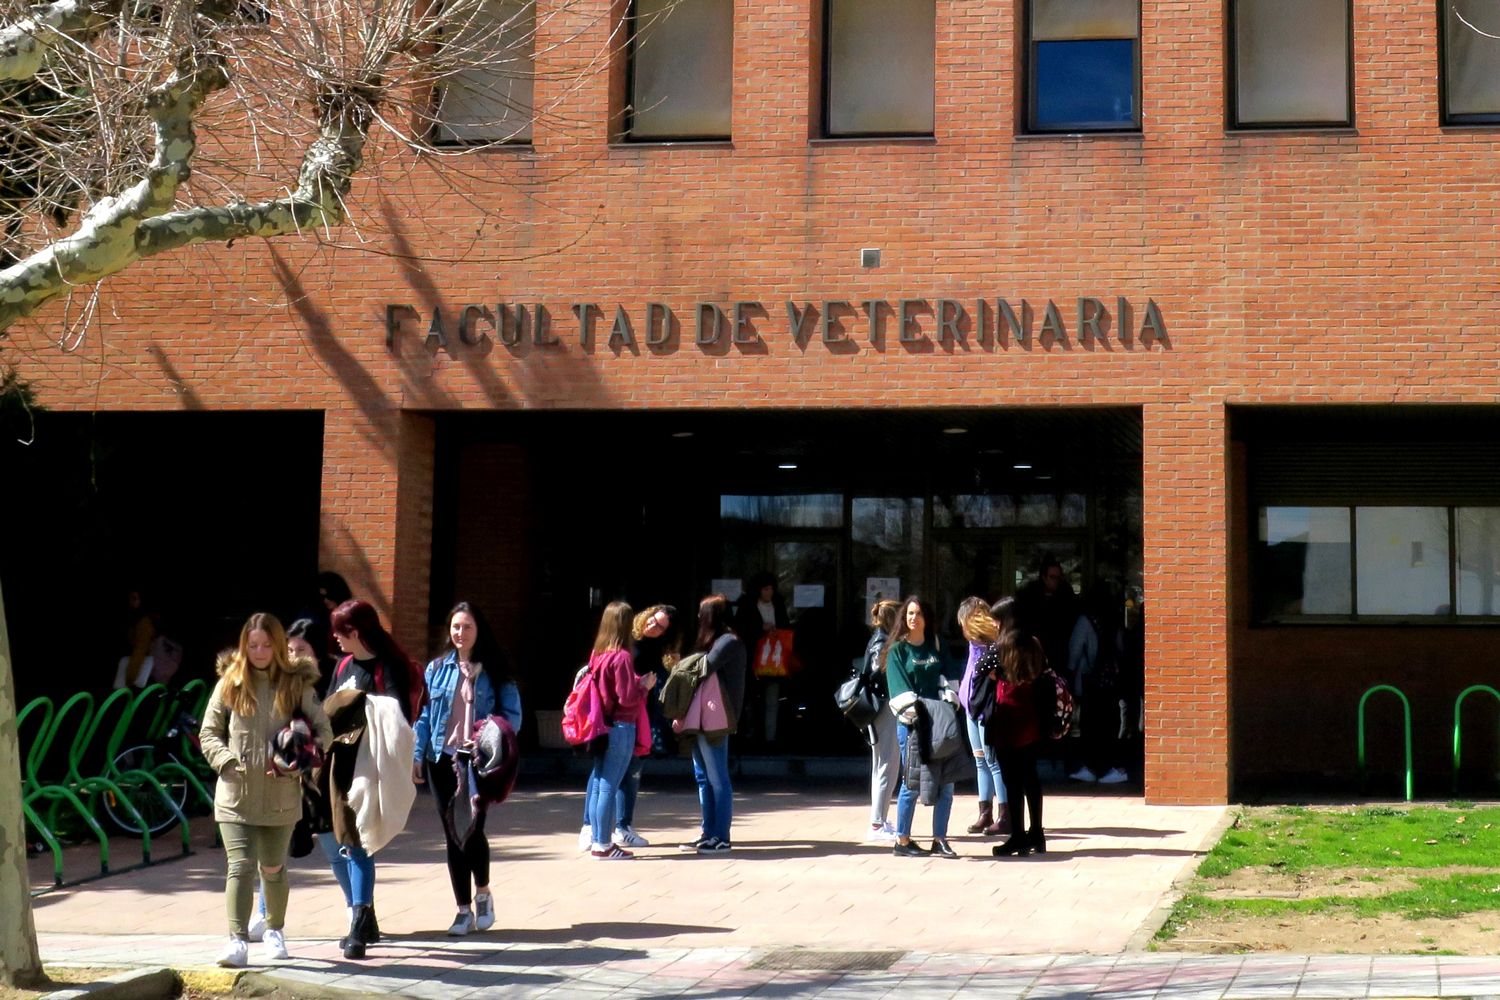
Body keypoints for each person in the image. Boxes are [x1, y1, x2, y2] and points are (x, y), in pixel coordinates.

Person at [199, 613, 331, 968]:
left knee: (272, 868)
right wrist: (226, 761)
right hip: (236, 794)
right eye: (252, 645)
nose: (259, 652)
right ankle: (237, 939)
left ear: (277, 645)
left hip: (280, 794)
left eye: (266, 645)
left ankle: (274, 929)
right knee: (239, 867)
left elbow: (324, 731)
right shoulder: (231, 681)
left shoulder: (296, 684)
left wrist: (301, 755)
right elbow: (209, 732)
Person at [413, 602, 522, 935]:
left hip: (477, 760)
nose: (460, 633)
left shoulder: (495, 669)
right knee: (451, 834)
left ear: (479, 630)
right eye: (456, 626)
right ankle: (463, 910)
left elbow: (513, 716)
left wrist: (489, 737)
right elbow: (426, 717)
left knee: (472, 830)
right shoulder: (436, 669)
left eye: (467, 627)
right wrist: (418, 754)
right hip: (441, 758)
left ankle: (483, 892)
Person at [322, 599, 424, 949]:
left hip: (369, 764)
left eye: (341, 631)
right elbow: (326, 709)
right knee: (337, 844)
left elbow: (399, 716)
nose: (336, 638)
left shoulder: (389, 665)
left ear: (357, 631)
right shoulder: (343, 666)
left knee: (358, 841)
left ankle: (359, 924)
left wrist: (357, 703)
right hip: (339, 763)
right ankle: (363, 915)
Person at [883, 596, 959, 859]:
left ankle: (940, 839)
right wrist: (919, 713)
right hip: (913, 725)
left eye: (918, 613)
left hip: (940, 723)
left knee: (946, 783)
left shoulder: (936, 645)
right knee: (912, 782)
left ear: (927, 618)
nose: (913, 618)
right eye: (909, 613)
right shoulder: (897, 651)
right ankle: (902, 840)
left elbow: (950, 679)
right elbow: (898, 690)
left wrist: (949, 701)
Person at [581, 601, 653, 859]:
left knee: (600, 784)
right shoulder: (622, 657)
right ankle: (603, 843)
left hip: (603, 725)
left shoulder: (599, 654)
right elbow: (627, 698)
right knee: (610, 786)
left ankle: (597, 840)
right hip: (622, 726)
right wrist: (644, 686)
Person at [680, 594, 746, 853]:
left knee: (717, 778)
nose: (698, 617)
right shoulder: (717, 641)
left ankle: (721, 836)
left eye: (701, 613)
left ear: (711, 616)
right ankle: (708, 832)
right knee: (703, 777)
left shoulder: (728, 641)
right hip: (703, 716)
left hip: (716, 718)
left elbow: (701, 668)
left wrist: (679, 664)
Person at [989, 629, 1047, 858]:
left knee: (1012, 782)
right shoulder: (1033, 643)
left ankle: (1018, 836)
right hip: (1031, 720)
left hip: (1009, 722)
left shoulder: (1004, 647)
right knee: (1031, 778)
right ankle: (1036, 833)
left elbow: (981, 668)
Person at [956, 598, 1008, 837]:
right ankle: (984, 812)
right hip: (970, 706)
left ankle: (1004, 815)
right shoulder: (973, 643)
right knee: (980, 761)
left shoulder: (993, 643)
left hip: (985, 706)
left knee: (993, 761)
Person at [860, 599, 901, 844]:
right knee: (888, 764)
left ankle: (880, 819)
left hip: (879, 707)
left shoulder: (880, 638)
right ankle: (877, 823)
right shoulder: (882, 641)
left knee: (882, 765)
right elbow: (880, 669)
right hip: (884, 706)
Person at [736, 573, 790, 746]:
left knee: (772, 699)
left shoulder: (778, 604)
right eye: (766, 589)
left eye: (772, 589)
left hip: (774, 658)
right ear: (758, 590)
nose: (770, 592)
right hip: (753, 658)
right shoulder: (747, 604)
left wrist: (777, 631)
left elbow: (786, 626)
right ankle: (749, 735)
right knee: (751, 699)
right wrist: (761, 628)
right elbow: (741, 628)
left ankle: (770, 737)